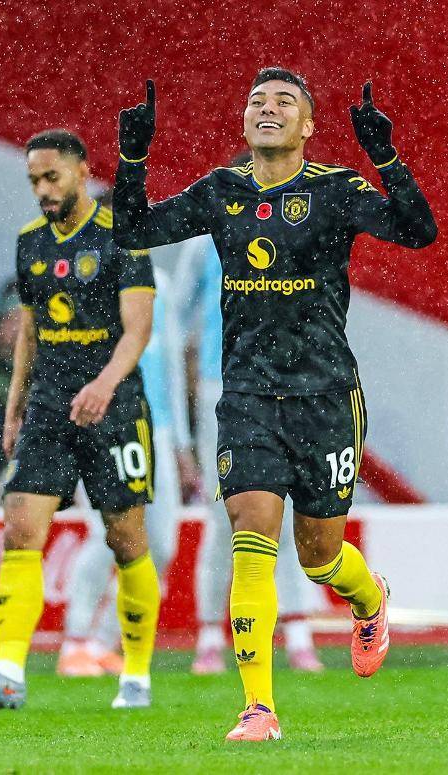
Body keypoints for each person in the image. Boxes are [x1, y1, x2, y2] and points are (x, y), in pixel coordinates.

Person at [113, 69, 437, 740]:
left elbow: (418, 230)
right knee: (251, 533)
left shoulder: (336, 189)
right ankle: (258, 706)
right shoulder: (221, 191)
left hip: (326, 396)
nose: (268, 108)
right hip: (248, 395)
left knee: (320, 557)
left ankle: (368, 598)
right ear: (244, 122)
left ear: (308, 125)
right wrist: (132, 157)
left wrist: (385, 156)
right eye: (258, 101)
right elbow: (133, 229)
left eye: (285, 101)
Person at [0, 129, 159, 711]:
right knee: (20, 527)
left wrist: (104, 384)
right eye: (34, 180)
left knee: (126, 539)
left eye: (51, 177)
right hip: (49, 403)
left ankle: (136, 674)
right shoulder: (30, 242)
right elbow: (30, 333)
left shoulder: (122, 235)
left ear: (83, 172)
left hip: (114, 404)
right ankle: (7, 671)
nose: (42, 190)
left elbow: (138, 329)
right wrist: (15, 407)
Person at [175, 234, 322, 675]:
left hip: (281, 388)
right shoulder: (205, 244)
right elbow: (175, 324)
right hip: (219, 389)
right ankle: (209, 636)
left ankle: (297, 633)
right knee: (223, 515)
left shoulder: (291, 232)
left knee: (286, 509)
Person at [57, 266, 194, 676]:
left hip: (157, 429)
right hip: (103, 425)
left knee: (162, 545)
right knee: (106, 537)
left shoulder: (161, 283)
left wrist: (181, 444)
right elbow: (66, 357)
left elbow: (170, 366)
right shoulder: (86, 274)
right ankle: (75, 642)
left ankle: (102, 643)